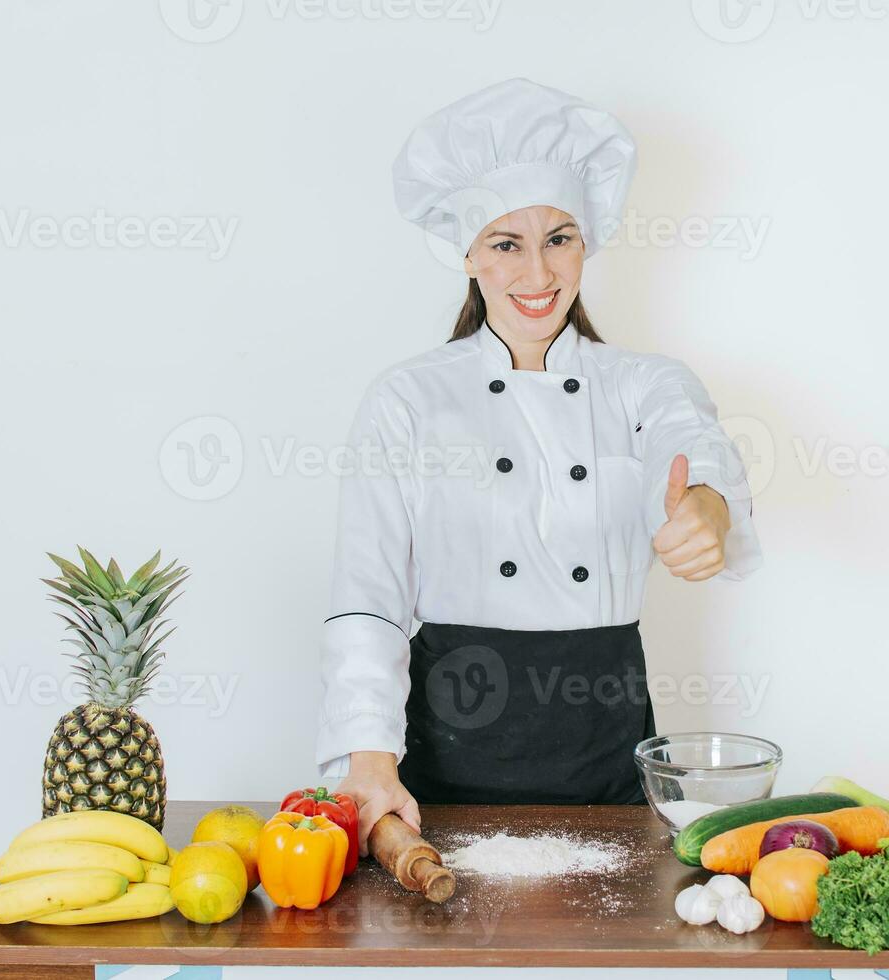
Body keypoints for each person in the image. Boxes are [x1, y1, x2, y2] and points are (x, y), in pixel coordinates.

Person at [315, 78, 763, 854]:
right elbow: (369, 597)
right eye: (505, 243)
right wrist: (368, 760)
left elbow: (692, 446)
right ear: (465, 254)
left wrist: (706, 509)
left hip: (605, 731)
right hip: (451, 739)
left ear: (586, 243)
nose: (537, 273)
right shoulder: (408, 399)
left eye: (559, 238)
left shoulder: (641, 381)